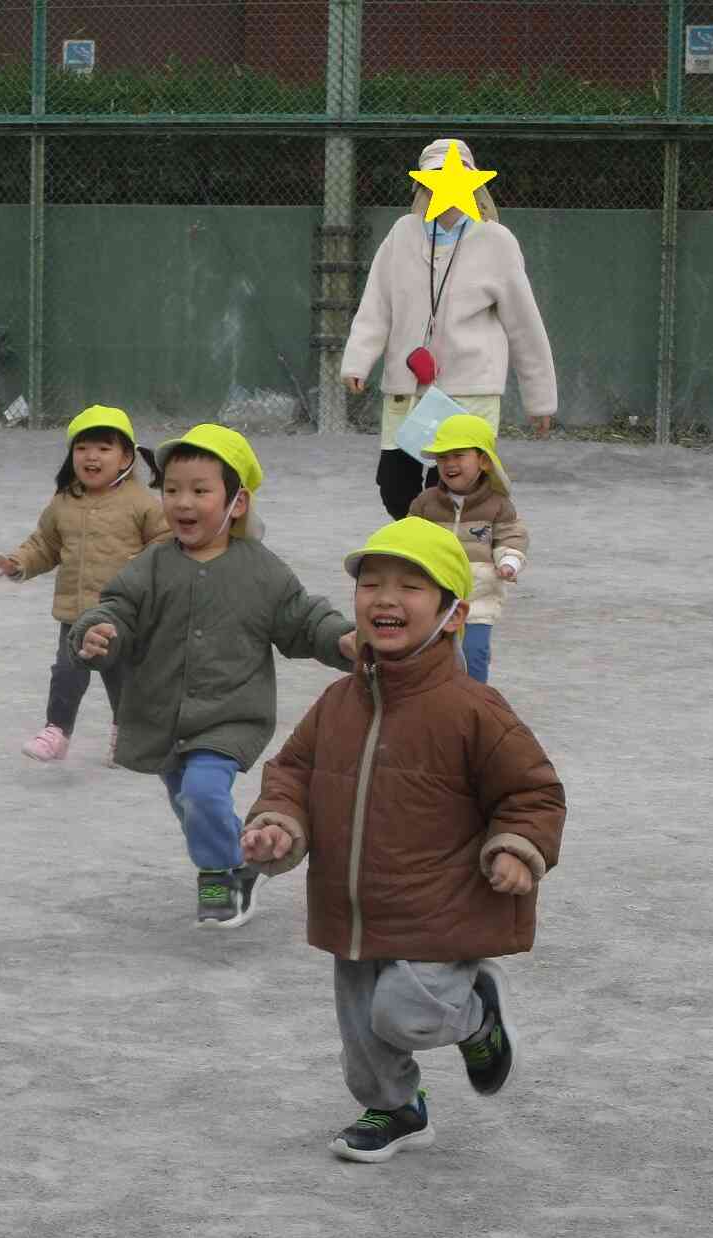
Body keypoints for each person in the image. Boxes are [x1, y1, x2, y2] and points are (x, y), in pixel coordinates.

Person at [239, 520, 565, 1163]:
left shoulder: (473, 709)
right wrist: (279, 821)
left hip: (443, 906)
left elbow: (533, 793)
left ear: (452, 613)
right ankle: (397, 1110)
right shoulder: (337, 702)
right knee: (362, 1037)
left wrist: (517, 846)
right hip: (353, 905)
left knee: (405, 1015)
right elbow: (293, 773)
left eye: (412, 586)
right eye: (371, 584)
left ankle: (476, 1014)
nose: (386, 598)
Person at [69, 424, 356, 927]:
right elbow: (117, 608)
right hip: (163, 714)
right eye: (172, 489)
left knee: (203, 792)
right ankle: (234, 858)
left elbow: (303, 619)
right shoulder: (153, 564)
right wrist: (97, 631)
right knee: (190, 803)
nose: (182, 502)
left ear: (237, 503)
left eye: (200, 491)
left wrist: (342, 640)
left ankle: (223, 874)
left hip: (230, 715)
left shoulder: (262, 571)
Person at [341, 136, 558, 523]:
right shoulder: (402, 234)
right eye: (434, 176)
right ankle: (422, 551)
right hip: (408, 389)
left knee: (455, 487)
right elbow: (376, 304)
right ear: (421, 184)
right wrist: (358, 360)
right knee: (395, 485)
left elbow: (524, 325)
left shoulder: (496, 240)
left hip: (469, 390)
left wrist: (540, 400)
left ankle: (451, 565)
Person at [0, 404, 167, 764]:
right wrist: (19, 562)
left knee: (123, 677)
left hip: (123, 614)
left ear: (126, 458)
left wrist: (141, 569)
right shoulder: (64, 502)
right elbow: (45, 544)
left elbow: (164, 542)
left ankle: (127, 735)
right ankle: (56, 731)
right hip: (75, 613)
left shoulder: (141, 503)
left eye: (104, 448)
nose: (91, 457)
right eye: (82, 448)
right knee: (67, 673)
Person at [406, 412, 528, 685]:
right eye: (442, 458)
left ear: (483, 460)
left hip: (478, 597)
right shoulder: (425, 504)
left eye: (459, 456)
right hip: (435, 597)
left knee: (474, 653)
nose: (449, 464)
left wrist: (509, 560)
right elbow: (409, 538)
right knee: (428, 655)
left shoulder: (498, 504)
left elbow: (511, 535)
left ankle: (474, 703)